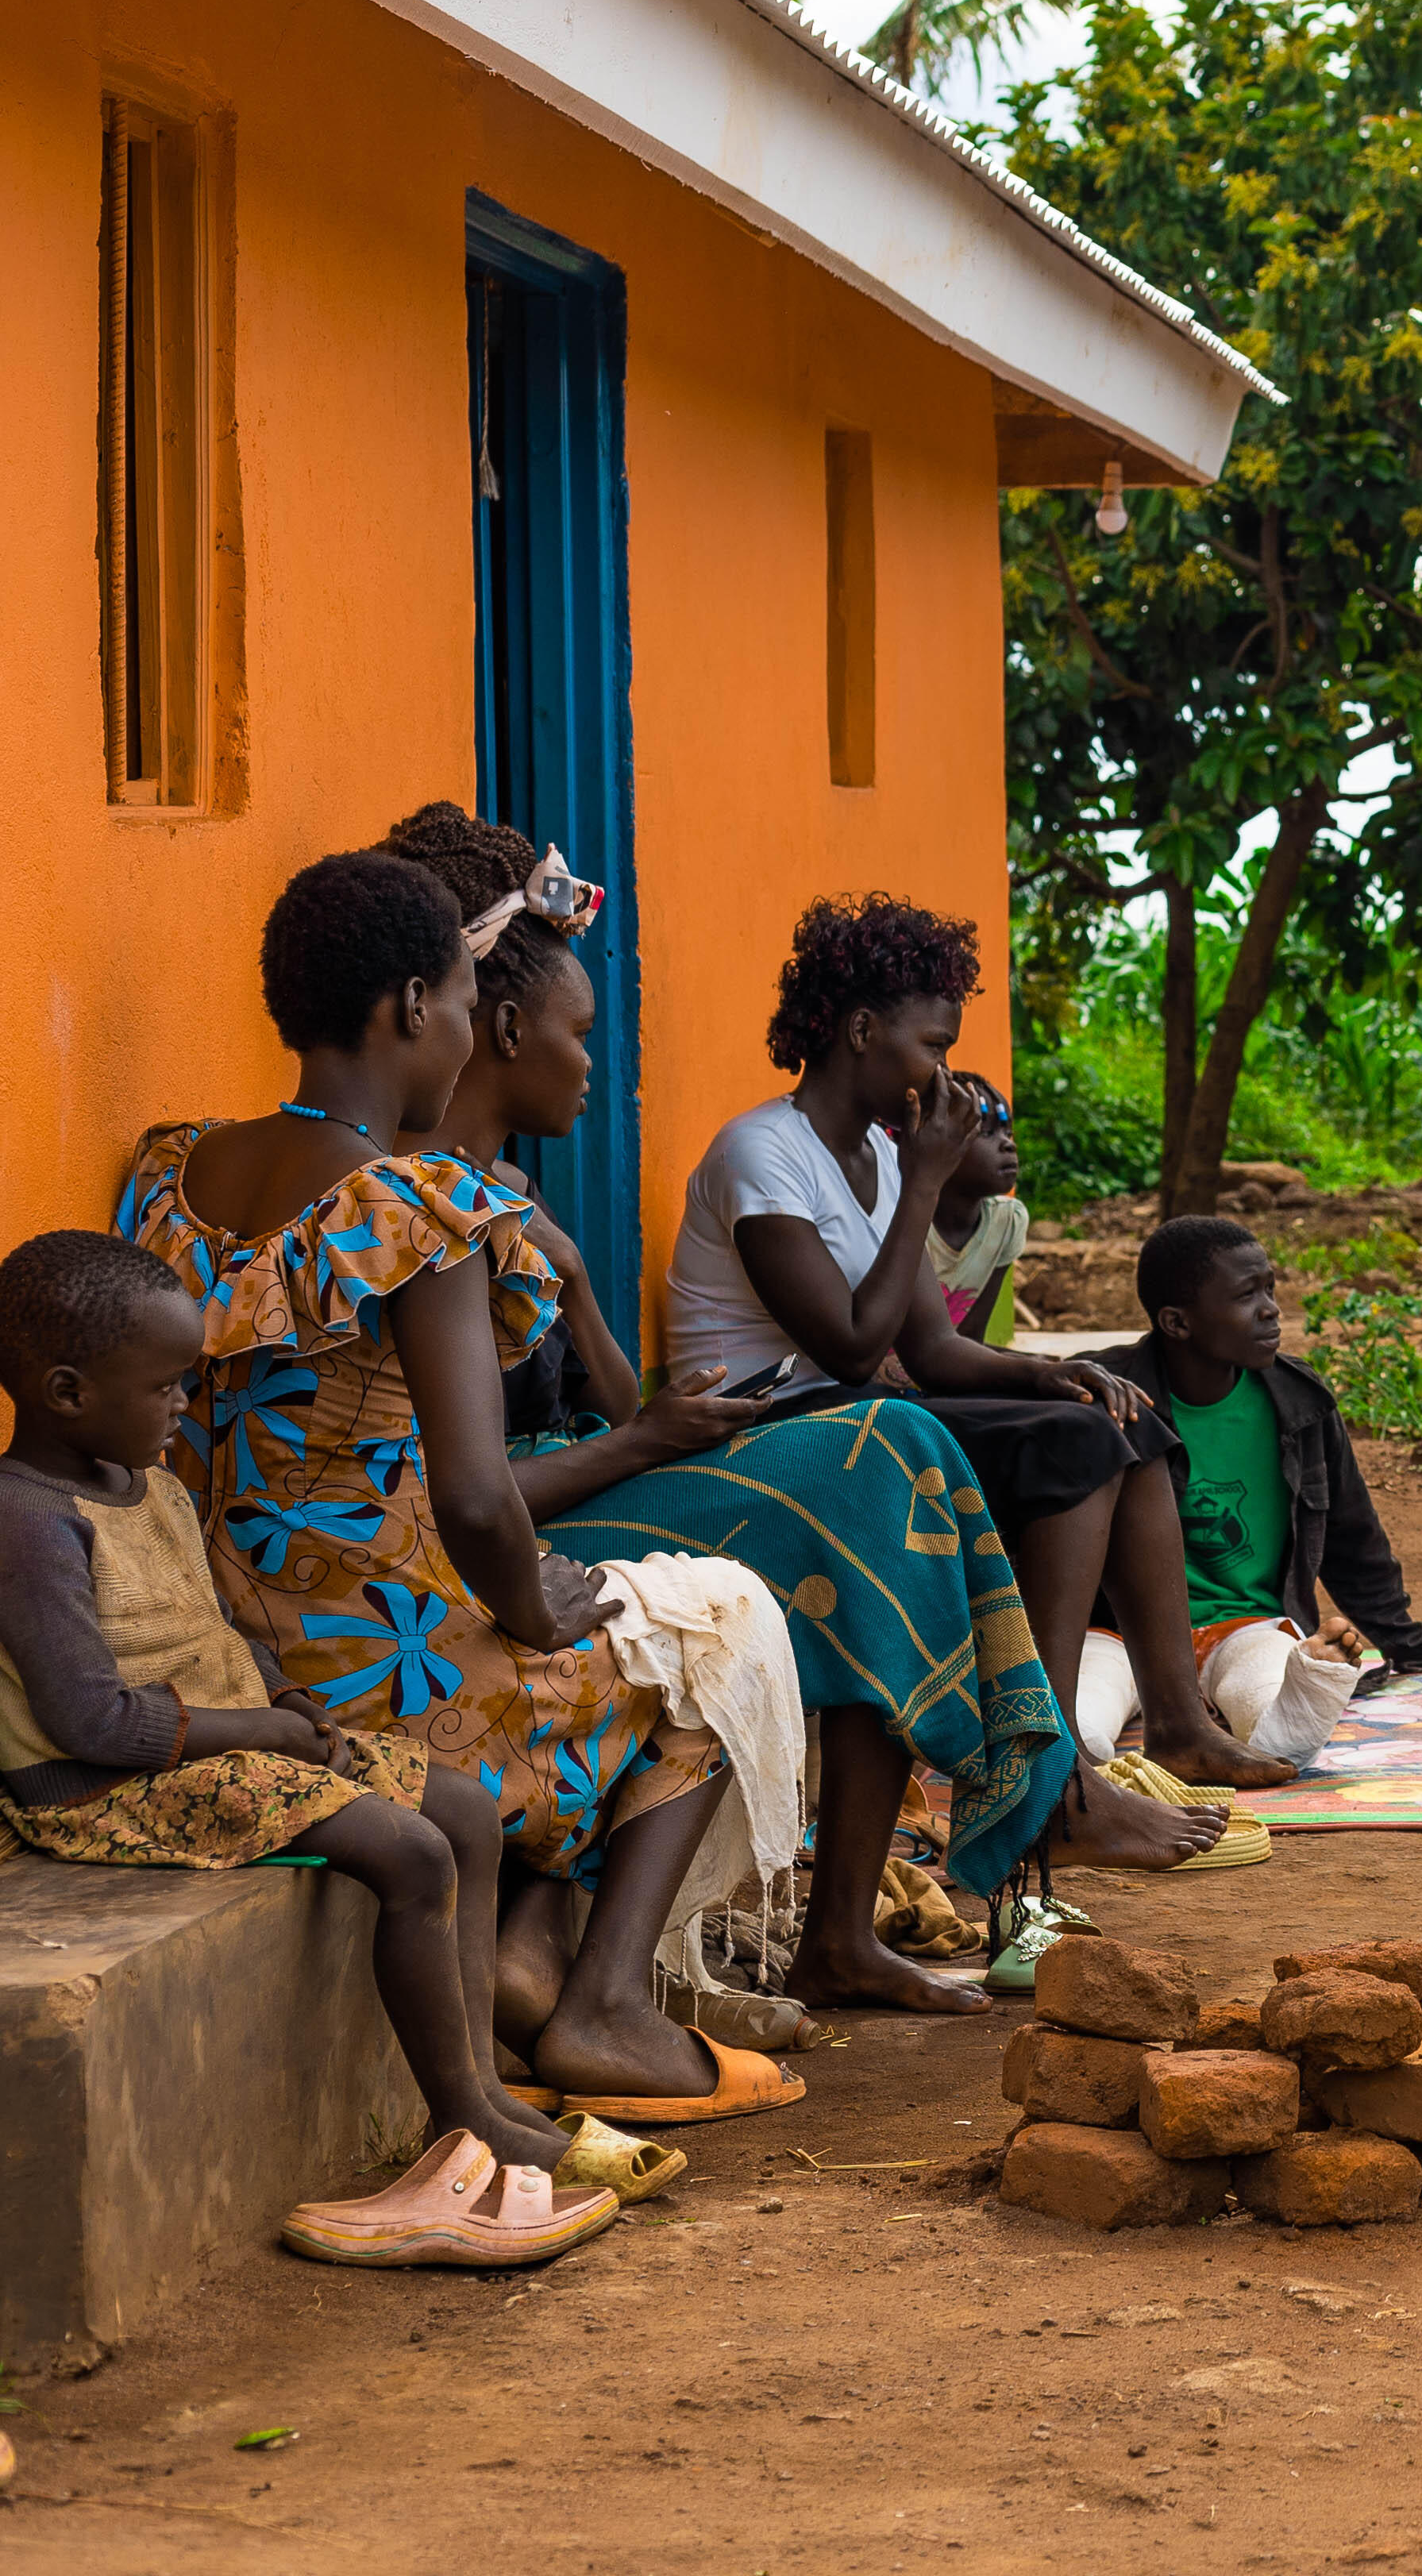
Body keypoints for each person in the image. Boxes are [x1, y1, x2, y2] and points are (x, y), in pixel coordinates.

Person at [378, 804, 1207, 2019]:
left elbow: (634, 1396)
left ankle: (926, 1874)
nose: (598, 1063)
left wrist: (579, 1279)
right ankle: (1014, 1812)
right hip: (562, 1501)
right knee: (887, 1462)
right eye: (581, 1034)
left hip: (625, 1459)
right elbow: (850, 1355)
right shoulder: (428, 1208)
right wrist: (645, 1423)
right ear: (486, 1023)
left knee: (970, 1447)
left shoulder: (504, 1197)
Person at [118, 852, 777, 2121]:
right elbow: (477, 1501)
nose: (470, 1036)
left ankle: (533, 1967)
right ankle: (603, 2006)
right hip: (374, 1667)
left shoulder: (173, 1175)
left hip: (220, 1644)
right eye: (470, 1006)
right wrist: (537, 1608)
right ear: (414, 1005)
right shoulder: (420, 1212)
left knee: (623, 1641)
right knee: (702, 1665)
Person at [659, 892, 1295, 1794]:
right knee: (1072, 1450)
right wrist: (923, 1181)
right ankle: (1045, 1762)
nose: (946, 1076)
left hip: (856, 1412)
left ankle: (1181, 1725)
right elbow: (852, 1349)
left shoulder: (880, 1159)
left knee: (1123, 1423)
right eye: (935, 1047)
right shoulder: (761, 1154)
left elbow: (931, 1348)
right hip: (757, 1427)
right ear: (861, 1031)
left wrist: (1054, 1373)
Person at [0, 1231, 585, 2198]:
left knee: (467, 1812)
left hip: (221, 1742)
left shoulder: (149, 1488)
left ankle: (482, 2075)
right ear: (68, 1394)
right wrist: (264, 1734)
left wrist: (280, 1696)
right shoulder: (25, 1520)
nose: (183, 1405)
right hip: (104, 1788)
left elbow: (215, 1624)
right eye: (166, 1388)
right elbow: (89, 1721)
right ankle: (459, 2117)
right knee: (410, 1851)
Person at [1070, 1215, 1422, 1762]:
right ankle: (1084, 1770)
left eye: (1270, 1289)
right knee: (1081, 1722)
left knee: (1274, 1716)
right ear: (1177, 1322)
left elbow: (1352, 1539)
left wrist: (1412, 1644)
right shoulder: (1102, 1397)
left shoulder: (1300, 1402)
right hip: (1118, 1633)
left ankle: (1300, 1698)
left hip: (1249, 1627)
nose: (1271, 1309)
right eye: (1247, 1295)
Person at [925, 1072, 1032, 1343]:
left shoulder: (1007, 1221)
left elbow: (971, 1340)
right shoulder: (899, 1219)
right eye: (986, 1132)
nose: (1008, 1144)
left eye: (1008, 1132)